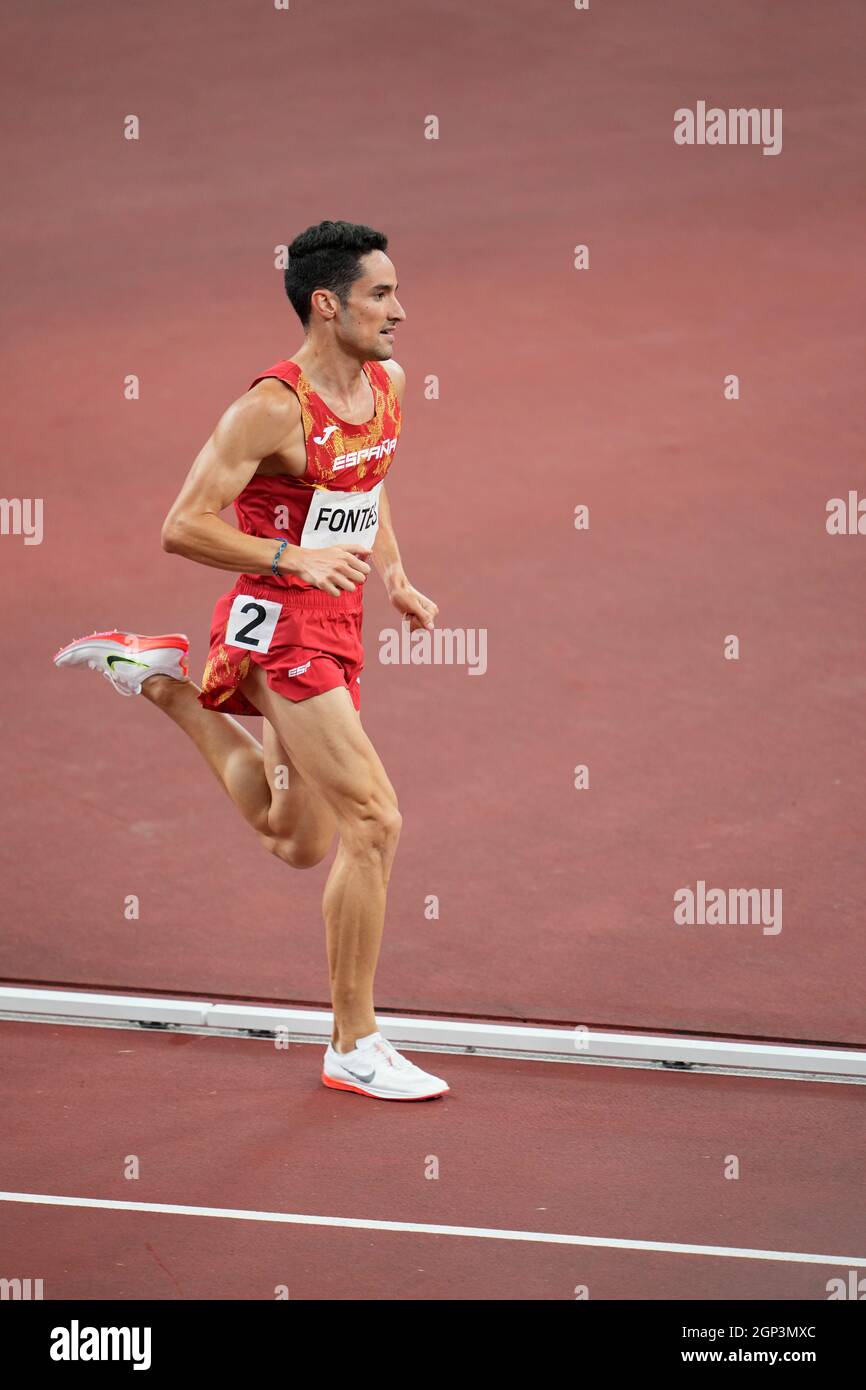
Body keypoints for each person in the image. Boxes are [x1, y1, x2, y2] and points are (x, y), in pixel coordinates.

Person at [54, 220, 449, 1102]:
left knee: (296, 841)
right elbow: (183, 524)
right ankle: (354, 1043)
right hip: (278, 624)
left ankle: (159, 681)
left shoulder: (388, 383)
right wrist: (286, 559)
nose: (401, 312)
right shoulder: (270, 408)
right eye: (382, 295)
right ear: (327, 303)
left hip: (339, 616)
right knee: (375, 823)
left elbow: (363, 486)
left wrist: (395, 575)